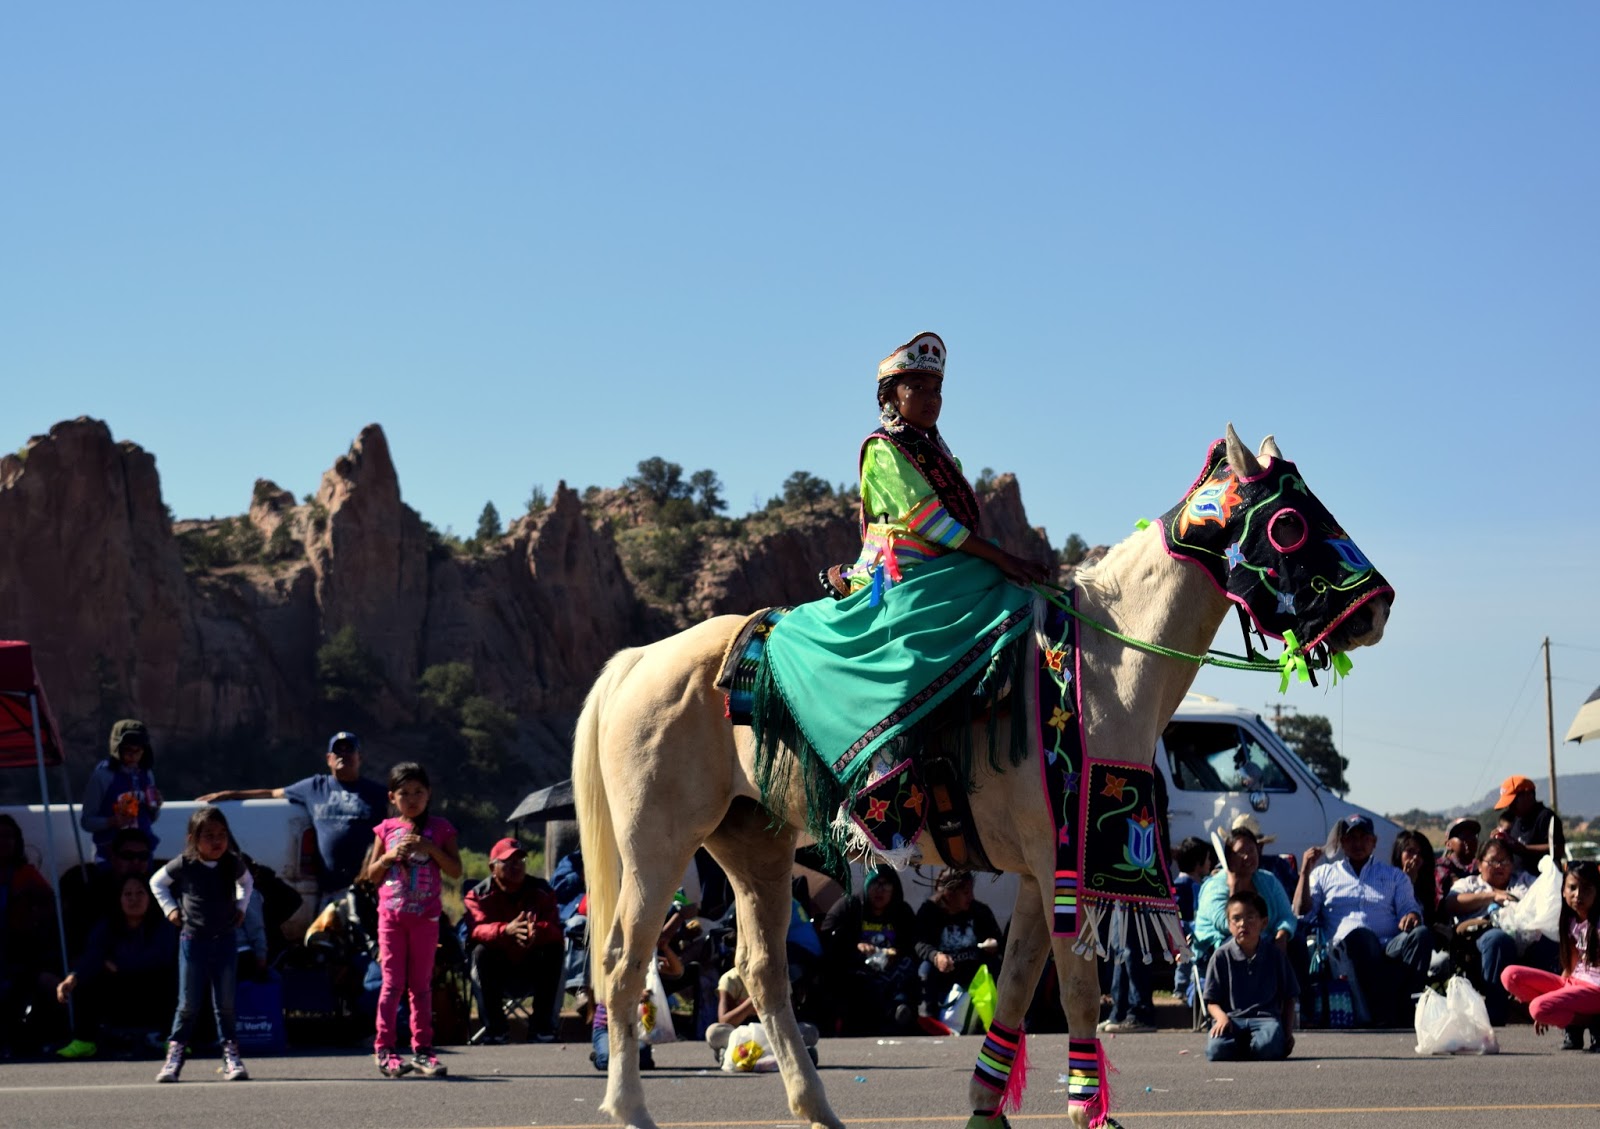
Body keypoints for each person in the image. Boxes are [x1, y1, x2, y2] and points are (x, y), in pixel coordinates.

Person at [820, 332, 1049, 599]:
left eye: (936, 390)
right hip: (903, 569)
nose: (931, 398)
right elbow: (928, 521)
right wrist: (1001, 557)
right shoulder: (884, 446)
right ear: (888, 398)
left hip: (942, 561)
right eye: (917, 387)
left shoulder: (938, 453)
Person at [199, 731, 388, 898]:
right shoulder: (314, 787)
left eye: (350, 750)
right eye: (338, 751)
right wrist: (230, 794)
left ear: (359, 757)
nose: (343, 755)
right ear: (328, 758)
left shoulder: (377, 793)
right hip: (331, 888)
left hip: (368, 887)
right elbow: (273, 793)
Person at [364, 762, 460, 1078]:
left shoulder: (441, 828)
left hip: (426, 919)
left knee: (420, 986)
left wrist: (428, 847)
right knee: (392, 984)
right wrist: (389, 857)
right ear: (393, 797)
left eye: (419, 792)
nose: (412, 799)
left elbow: (456, 870)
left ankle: (423, 1051)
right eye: (404, 794)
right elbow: (371, 875)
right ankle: (385, 1049)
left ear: (429, 793)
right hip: (391, 918)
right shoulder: (386, 829)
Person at [1294, 814, 1434, 1028]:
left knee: (1421, 935)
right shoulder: (1324, 874)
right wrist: (1305, 872)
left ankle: (1405, 1009)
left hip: (1388, 946)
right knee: (1361, 936)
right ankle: (1380, 1012)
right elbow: (1301, 913)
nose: (1358, 843)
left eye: (1364, 837)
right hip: (1345, 951)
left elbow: (1409, 908)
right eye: (1351, 838)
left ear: (1374, 842)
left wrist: (1411, 916)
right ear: (1342, 843)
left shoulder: (1394, 876)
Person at [149, 806, 254, 1083]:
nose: (217, 841)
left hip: (225, 941)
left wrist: (242, 907)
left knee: (226, 1004)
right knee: (188, 1004)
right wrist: (170, 910)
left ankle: (231, 1056)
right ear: (193, 839)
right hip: (193, 941)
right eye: (209, 835)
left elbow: (247, 882)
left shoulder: (232, 863)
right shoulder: (185, 863)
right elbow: (157, 883)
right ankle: (174, 1058)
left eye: (222, 834)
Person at [54, 872, 179, 1059]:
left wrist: (119, 966)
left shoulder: (164, 925)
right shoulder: (108, 925)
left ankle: (174, 1041)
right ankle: (84, 1041)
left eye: (140, 893)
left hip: (154, 990)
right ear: (119, 899)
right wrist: (73, 976)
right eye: (127, 894)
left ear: (150, 897)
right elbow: (93, 954)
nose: (133, 899)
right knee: (87, 978)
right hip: (119, 993)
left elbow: (160, 958)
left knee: (173, 979)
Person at [1441, 837, 1557, 1026]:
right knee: (1498, 940)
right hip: (1483, 937)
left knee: (1551, 940)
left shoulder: (1523, 881)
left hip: (1527, 935)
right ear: (1479, 864)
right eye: (1493, 861)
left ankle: (1549, 1007)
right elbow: (1451, 903)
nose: (1499, 866)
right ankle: (1496, 1011)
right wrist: (1492, 896)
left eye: (1504, 861)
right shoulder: (1469, 883)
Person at [464, 837, 563, 1043]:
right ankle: (496, 1029)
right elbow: (476, 929)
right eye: (508, 862)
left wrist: (536, 931)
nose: (516, 866)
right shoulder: (478, 895)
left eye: (520, 861)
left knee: (554, 949)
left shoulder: (542, 891)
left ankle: (542, 1028)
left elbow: (555, 928)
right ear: (493, 867)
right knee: (480, 952)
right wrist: (506, 930)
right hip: (498, 971)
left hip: (531, 967)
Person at [1502, 861, 1600, 1051]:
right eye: (1572, 888)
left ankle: (1592, 1021)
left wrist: (1547, 1007)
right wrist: (1554, 1004)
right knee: (1510, 975)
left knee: (1538, 1008)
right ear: (1563, 891)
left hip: (1595, 990)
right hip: (1575, 983)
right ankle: (1570, 1019)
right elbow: (1572, 966)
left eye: (1586, 889)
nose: (1578, 895)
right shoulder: (1570, 920)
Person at [819, 863, 919, 1034]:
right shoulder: (849, 905)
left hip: (891, 968)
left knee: (909, 970)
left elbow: (913, 943)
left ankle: (902, 1012)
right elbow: (827, 936)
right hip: (858, 968)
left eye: (886, 885)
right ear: (866, 885)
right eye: (875, 883)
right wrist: (854, 946)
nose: (880, 890)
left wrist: (897, 951)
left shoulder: (902, 911)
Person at [1202, 891, 1298, 1061]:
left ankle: (1253, 1047)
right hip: (1232, 1019)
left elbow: (1289, 997)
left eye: (1250, 918)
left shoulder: (1275, 955)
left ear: (1264, 922)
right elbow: (1212, 1002)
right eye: (1236, 919)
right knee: (1216, 1051)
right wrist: (1221, 1018)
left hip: (1266, 1020)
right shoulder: (1221, 956)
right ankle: (1245, 1046)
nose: (1243, 924)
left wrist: (1287, 1033)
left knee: (1269, 1047)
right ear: (1229, 924)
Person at [1193, 827, 1298, 965]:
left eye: (1251, 850)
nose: (1247, 856)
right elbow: (1228, 925)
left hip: (1264, 939)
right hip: (1219, 945)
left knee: (1297, 944)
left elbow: (1286, 915)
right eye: (1241, 852)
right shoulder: (1214, 886)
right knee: (1240, 945)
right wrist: (1233, 887)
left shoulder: (1268, 880)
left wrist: (1282, 935)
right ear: (1229, 857)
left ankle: (1295, 987)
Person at [1, 814, 59, 1056]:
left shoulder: (28, 876)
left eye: (8, 837)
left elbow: (48, 920)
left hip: (24, 953)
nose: (3, 842)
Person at [914, 869, 1003, 1019]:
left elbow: (998, 939)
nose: (971, 897)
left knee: (996, 964)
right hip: (944, 970)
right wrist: (935, 956)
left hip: (974, 970)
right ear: (949, 893)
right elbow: (919, 943)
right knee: (925, 969)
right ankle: (928, 1018)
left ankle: (999, 1017)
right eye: (966, 893)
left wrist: (994, 944)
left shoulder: (979, 911)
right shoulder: (929, 911)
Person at [59, 828, 155, 961]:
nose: (136, 862)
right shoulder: (91, 894)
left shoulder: (158, 891)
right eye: (128, 856)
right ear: (113, 858)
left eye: (143, 856)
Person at [80, 720, 163, 864]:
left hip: (142, 855)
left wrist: (154, 807)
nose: (133, 756)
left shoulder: (147, 774)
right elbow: (87, 822)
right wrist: (112, 822)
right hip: (110, 855)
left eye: (138, 751)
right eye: (127, 750)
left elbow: (151, 818)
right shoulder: (102, 776)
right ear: (116, 748)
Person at [1492, 774, 1565, 873]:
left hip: (1541, 882)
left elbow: (1557, 848)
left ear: (1528, 795)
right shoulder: (1515, 819)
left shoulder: (1545, 817)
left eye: (1513, 802)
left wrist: (1524, 849)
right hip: (1518, 882)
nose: (1510, 808)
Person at [1392, 830, 1440, 927]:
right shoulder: (1387, 881)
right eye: (1410, 851)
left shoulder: (1427, 883)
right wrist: (1407, 882)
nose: (1415, 857)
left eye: (1420, 853)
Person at [1434, 818, 1480, 903]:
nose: (1469, 840)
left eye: (1472, 835)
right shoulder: (1442, 866)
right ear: (1448, 844)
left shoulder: (1480, 865)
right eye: (1463, 837)